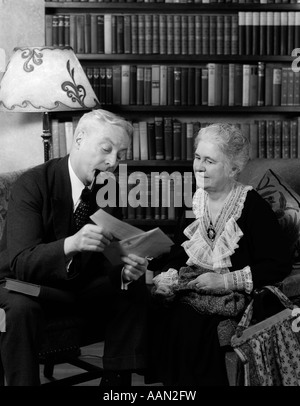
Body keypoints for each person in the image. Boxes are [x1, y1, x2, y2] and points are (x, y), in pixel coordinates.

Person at [0, 109, 150, 386]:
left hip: (74, 285)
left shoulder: (108, 188)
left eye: (121, 154)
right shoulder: (32, 184)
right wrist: (72, 244)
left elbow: (108, 252)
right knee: (21, 310)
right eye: (106, 149)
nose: (113, 162)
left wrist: (125, 265)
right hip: (21, 284)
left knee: (131, 285)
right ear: (79, 139)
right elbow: (21, 262)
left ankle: (116, 385)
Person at [147, 123, 292, 386]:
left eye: (210, 161)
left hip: (239, 293)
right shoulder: (195, 202)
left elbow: (278, 264)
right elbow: (182, 251)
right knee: (157, 309)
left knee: (189, 322)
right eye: (198, 157)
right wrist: (168, 276)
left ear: (233, 168)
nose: (199, 167)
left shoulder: (252, 207)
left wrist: (224, 281)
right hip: (195, 286)